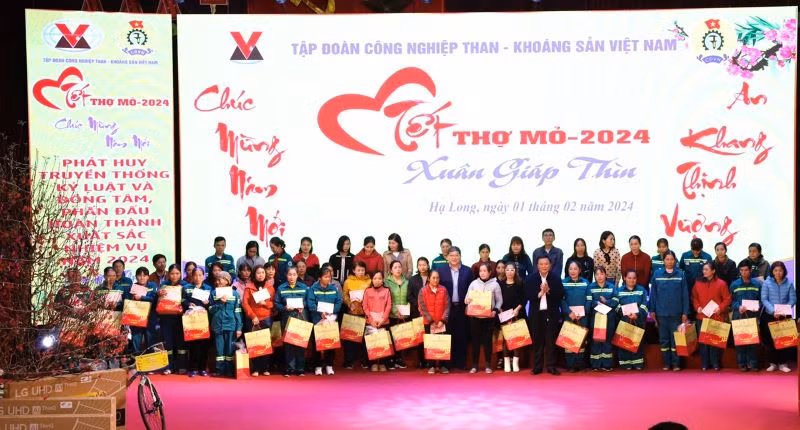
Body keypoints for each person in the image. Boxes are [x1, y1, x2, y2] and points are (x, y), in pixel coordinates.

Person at [650, 251, 689, 371]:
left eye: (672, 259)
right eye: (667, 259)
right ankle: (666, 363)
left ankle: (676, 364)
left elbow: (685, 294)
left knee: (676, 339)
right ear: (663, 261)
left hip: (676, 313)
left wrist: (685, 312)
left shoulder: (681, 274)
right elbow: (653, 294)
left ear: (675, 261)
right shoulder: (657, 274)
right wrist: (652, 310)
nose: (670, 261)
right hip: (661, 313)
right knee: (664, 340)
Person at [525, 255, 564, 375]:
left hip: (551, 314)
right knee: (537, 340)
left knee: (550, 340)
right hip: (536, 314)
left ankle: (551, 366)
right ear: (537, 266)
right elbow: (528, 295)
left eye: (546, 264)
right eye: (541, 264)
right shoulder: (531, 278)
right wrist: (541, 292)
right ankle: (537, 367)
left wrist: (549, 291)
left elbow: (560, 295)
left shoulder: (555, 278)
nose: (544, 266)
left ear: (550, 265)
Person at [437, 246, 474, 370]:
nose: (454, 258)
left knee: (461, 335)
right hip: (447, 308)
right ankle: (447, 364)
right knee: (447, 334)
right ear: (447, 257)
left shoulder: (467, 271)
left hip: (462, 308)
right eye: (451, 255)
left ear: (460, 256)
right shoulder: (441, 271)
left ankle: (460, 363)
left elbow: (472, 290)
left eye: (456, 255)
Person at [692, 262, 731, 371]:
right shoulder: (698, 283)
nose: (704, 271)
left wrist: (720, 308)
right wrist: (697, 307)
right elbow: (694, 297)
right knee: (703, 342)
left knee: (715, 342)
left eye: (706, 269)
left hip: (716, 316)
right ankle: (705, 363)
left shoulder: (721, 283)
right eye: (703, 269)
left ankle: (715, 363)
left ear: (713, 271)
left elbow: (727, 299)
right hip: (702, 316)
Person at [466, 263, 502, 374]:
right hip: (475, 317)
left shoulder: (495, 284)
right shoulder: (473, 283)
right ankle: (474, 365)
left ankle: (488, 365)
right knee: (475, 341)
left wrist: (495, 310)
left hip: (489, 318)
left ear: (490, 272)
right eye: (481, 271)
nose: (482, 273)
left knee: (487, 342)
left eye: (485, 271)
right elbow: (466, 299)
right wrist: (467, 301)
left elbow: (499, 301)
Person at [761, 261, 796, 373]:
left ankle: (783, 363)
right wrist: (773, 311)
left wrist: (784, 310)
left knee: (784, 340)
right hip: (770, 315)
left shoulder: (789, 283)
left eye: (780, 270)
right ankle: (773, 363)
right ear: (772, 271)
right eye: (775, 270)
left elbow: (793, 299)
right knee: (770, 340)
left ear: (784, 271)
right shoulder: (767, 283)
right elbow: (764, 299)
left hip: (784, 315)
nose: (778, 273)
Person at [274, 266, 309, 377]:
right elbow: (277, 303)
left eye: (294, 274)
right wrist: (284, 308)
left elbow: (308, 301)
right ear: (286, 275)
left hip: (301, 317)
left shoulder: (304, 287)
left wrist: (303, 305)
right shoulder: (281, 288)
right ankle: (290, 368)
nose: (292, 277)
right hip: (287, 317)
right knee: (288, 344)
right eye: (290, 274)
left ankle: (300, 368)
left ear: (297, 275)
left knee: (300, 343)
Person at [307, 267, 343, 376]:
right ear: (320, 277)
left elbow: (338, 302)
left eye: (329, 277)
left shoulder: (333, 289)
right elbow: (311, 303)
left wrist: (331, 311)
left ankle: (329, 365)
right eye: (325, 277)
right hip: (318, 320)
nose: (328, 279)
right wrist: (320, 313)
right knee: (317, 344)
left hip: (330, 319)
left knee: (330, 343)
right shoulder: (313, 289)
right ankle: (317, 366)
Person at [242, 265, 275, 377]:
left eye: (262, 273)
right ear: (254, 274)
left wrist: (265, 303)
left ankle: (265, 368)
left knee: (265, 344)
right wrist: (252, 316)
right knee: (254, 344)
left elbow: (274, 303)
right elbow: (245, 303)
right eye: (258, 273)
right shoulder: (248, 287)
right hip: (253, 319)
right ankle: (255, 368)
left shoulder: (270, 287)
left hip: (266, 318)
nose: (261, 275)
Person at [730, 261, 762, 371]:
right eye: (741, 270)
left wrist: (757, 306)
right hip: (738, 315)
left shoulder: (757, 284)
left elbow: (761, 300)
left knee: (753, 341)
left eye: (746, 270)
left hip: (752, 316)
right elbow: (731, 301)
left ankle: (753, 363)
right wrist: (738, 306)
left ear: (750, 270)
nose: (744, 272)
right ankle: (742, 364)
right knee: (740, 341)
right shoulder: (734, 284)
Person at [209, 271, 242, 378]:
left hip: (231, 325)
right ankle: (219, 370)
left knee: (230, 349)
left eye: (221, 279)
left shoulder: (235, 294)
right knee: (219, 350)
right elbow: (210, 310)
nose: (218, 281)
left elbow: (237, 312)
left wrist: (239, 328)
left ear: (227, 281)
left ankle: (229, 371)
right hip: (217, 325)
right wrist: (220, 303)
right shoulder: (213, 293)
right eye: (217, 279)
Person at [615, 269, 648, 370]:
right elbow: (616, 305)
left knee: (637, 342)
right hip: (624, 320)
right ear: (625, 278)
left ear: (636, 279)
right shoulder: (619, 291)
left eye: (634, 278)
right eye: (629, 278)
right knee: (624, 341)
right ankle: (626, 363)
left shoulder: (642, 290)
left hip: (638, 320)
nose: (631, 280)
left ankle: (637, 362)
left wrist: (637, 315)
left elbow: (645, 305)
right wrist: (625, 314)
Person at [561, 261, 591, 372]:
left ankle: (580, 364)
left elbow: (589, 299)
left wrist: (584, 312)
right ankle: (571, 365)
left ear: (580, 270)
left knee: (581, 340)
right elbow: (561, 300)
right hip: (569, 316)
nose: (572, 271)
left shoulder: (586, 283)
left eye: (575, 269)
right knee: (569, 340)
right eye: (570, 269)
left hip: (582, 316)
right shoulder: (563, 283)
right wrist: (568, 312)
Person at [158, 264, 189, 374]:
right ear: (168, 274)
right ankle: (169, 367)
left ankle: (182, 366)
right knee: (168, 343)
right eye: (172, 273)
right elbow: (158, 301)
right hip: (166, 318)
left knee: (181, 343)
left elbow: (188, 300)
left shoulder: (185, 285)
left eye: (177, 273)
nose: (174, 276)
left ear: (180, 274)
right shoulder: (163, 285)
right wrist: (158, 294)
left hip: (180, 318)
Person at [418, 270, 450, 374]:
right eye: (433, 278)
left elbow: (447, 306)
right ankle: (431, 365)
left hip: (441, 322)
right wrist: (431, 321)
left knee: (442, 343)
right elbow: (422, 307)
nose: (436, 280)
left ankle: (443, 366)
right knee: (430, 343)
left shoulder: (443, 289)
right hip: (429, 322)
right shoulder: (423, 290)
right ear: (428, 278)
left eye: (437, 278)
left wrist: (442, 320)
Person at [183, 267, 211, 377]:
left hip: (204, 320)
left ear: (203, 276)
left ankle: (202, 368)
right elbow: (182, 300)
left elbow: (212, 303)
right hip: (191, 320)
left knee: (204, 344)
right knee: (192, 345)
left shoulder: (208, 288)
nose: (197, 277)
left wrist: (208, 303)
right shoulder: (186, 288)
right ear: (192, 276)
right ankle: (192, 368)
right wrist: (188, 304)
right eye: (195, 275)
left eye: (200, 275)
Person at [342, 261, 371, 369]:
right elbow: (344, 294)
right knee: (350, 338)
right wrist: (349, 303)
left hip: (365, 313)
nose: (361, 272)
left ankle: (364, 361)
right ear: (354, 270)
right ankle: (349, 361)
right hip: (352, 312)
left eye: (362, 270)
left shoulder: (369, 281)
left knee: (364, 339)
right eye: (358, 270)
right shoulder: (348, 281)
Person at [363, 271, 392, 372]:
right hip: (370, 321)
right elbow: (365, 306)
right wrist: (370, 320)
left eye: (379, 278)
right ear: (371, 280)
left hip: (383, 321)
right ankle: (373, 363)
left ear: (383, 280)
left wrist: (383, 319)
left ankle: (383, 363)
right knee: (372, 343)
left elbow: (388, 306)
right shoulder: (367, 291)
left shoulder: (387, 291)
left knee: (383, 343)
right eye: (375, 278)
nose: (377, 280)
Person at [499, 263, 526, 372]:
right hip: (504, 315)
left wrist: (517, 309)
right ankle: (506, 362)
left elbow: (524, 299)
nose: (510, 272)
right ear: (504, 271)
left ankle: (515, 362)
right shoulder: (500, 284)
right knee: (506, 339)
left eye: (512, 270)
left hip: (517, 314)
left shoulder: (520, 283)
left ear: (515, 271)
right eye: (507, 270)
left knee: (517, 339)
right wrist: (502, 312)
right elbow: (498, 299)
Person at [589, 267, 617, 371]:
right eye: (597, 274)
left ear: (605, 275)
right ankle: (595, 364)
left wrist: (606, 302)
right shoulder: (590, 287)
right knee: (596, 340)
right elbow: (588, 300)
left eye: (601, 274)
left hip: (609, 317)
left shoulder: (612, 286)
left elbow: (616, 300)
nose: (599, 276)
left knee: (607, 340)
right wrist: (596, 303)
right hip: (596, 317)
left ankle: (607, 364)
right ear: (594, 276)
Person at [126, 267, 158, 354]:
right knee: (136, 341)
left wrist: (141, 297)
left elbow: (154, 299)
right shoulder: (132, 287)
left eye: (144, 275)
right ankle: (136, 359)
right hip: (136, 318)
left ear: (148, 277)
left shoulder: (152, 285)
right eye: (139, 275)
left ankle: (151, 360)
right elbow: (127, 302)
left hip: (149, 317)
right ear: (136, 277)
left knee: (150, 341)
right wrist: (132, 298)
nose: (142, 278)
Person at [385, 260, 410, 369]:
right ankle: (391, 359)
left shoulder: (407, 282)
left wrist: (406, 310)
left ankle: (399, 359)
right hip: (392, 314)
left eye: (399, 267)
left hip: (404, 314)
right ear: (391, 270)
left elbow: (409, 297)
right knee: (391, 337)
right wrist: (395, 311)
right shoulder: (386, 282)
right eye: (395, 267)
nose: (398, 269)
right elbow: (388, 298)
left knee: (401, 337)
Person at [679, 238, 713, 317]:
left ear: (701, 248)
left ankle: (700, 318)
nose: (695, 252)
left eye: (697, 250)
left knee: (700, 302)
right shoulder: (685, 255)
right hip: (688, 284)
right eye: (693, 250)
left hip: (702, 284)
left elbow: (710, 271)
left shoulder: (707, 257)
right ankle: (689, 318)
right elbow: (681, 268)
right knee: (688, 301)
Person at [408, 257, 430, 368]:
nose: (422, 267)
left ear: (428, 265)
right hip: (417, 312)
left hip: (430, 313)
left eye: (424, 264)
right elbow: (409, 296)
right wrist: (419, 305)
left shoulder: (432, 277)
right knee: (420, 337)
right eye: (420, 265)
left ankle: (430, 360)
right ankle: (422, 361)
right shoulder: (413, 279)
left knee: (429, 336)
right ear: (417, 266)